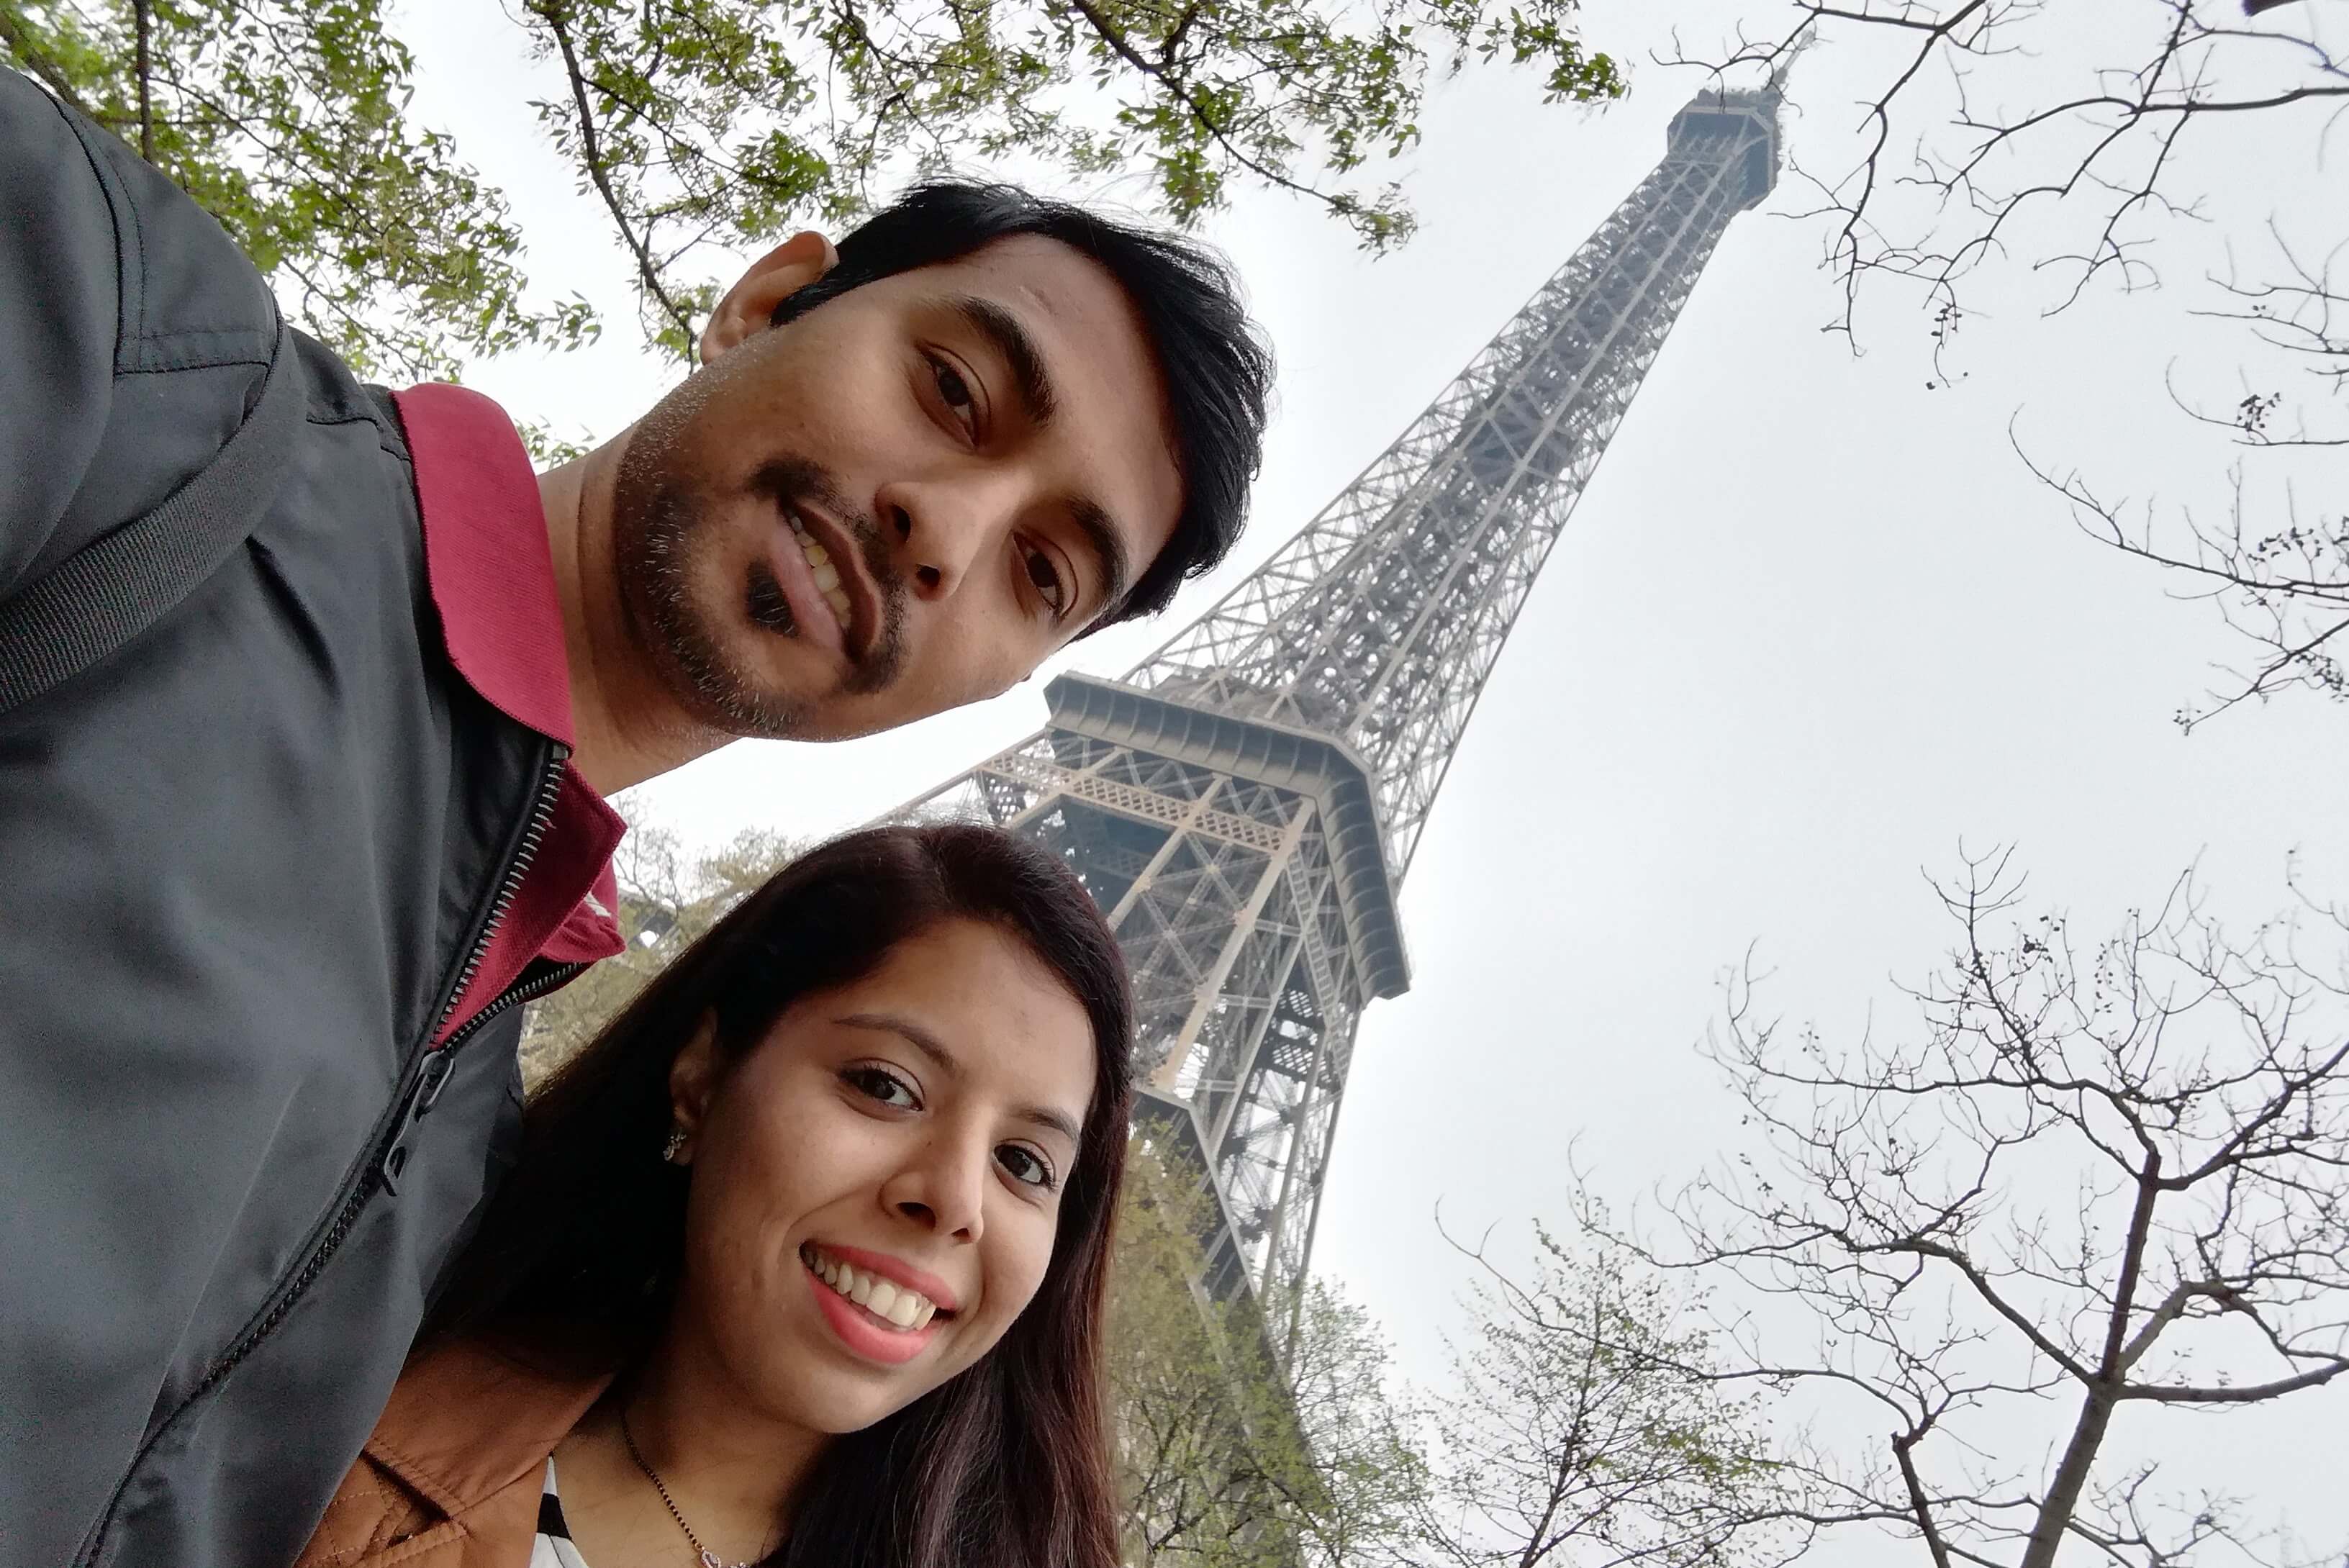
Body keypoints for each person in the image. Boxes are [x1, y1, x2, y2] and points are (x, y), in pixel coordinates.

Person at [0, 60, 1267, 1568]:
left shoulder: (459, 1149)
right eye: (954, 390)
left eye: (1043, 575)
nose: (949, 532)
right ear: (766, 300)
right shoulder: (132, 357)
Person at [295, 823, 1133, 1568]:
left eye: (1024, 1164)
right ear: (704, 1076)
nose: (955, 1199)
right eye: (885, 1084)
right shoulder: (320, 1419)